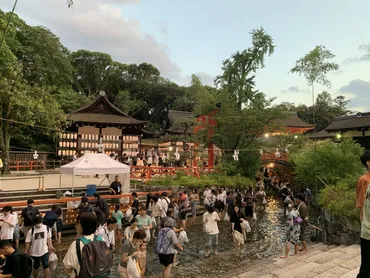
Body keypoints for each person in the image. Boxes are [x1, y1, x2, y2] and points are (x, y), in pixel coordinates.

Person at [63, 213, 112, 277]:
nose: (75, 226)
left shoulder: (76, 244)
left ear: (84, 226)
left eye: (77, 224)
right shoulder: (101, 239)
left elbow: (67, 268)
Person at [356, 150, 370, 278]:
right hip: (368, 227)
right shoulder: (364, 180)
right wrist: (363, 221)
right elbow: (361, 203)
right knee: (366, 264)